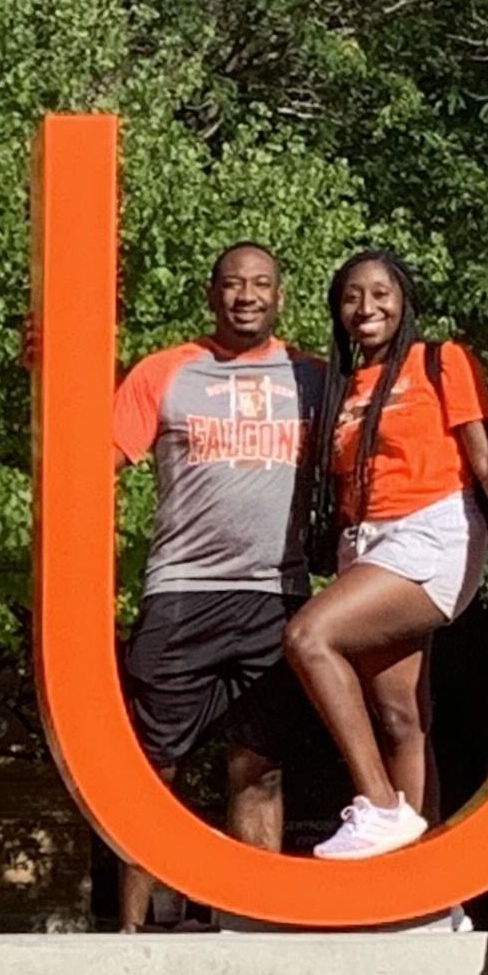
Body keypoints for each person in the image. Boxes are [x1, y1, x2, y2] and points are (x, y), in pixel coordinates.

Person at [284, 251, 488, 859]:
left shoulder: (441, 360)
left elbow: (484, 457)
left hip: (433, 529)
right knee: (400, 717)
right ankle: (421, 886)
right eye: (352, 297)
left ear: (403, 300)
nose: (366, 308)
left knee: (309, 637)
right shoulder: (338, 385)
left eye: (380, 294)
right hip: (368, 543)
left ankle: (379, 804)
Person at [106, 242, 329, 930]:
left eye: (260, 283)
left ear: (279, 295)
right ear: (211, 295)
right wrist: (42, 364)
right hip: (180, 590)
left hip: (275, 594)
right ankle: (130, 934)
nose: (245, 295)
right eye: (232, 284)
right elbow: (91, 457)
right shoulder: (164, 372)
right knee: (150, 772)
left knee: (258, 769)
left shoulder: (314, 378)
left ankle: (251, 929)